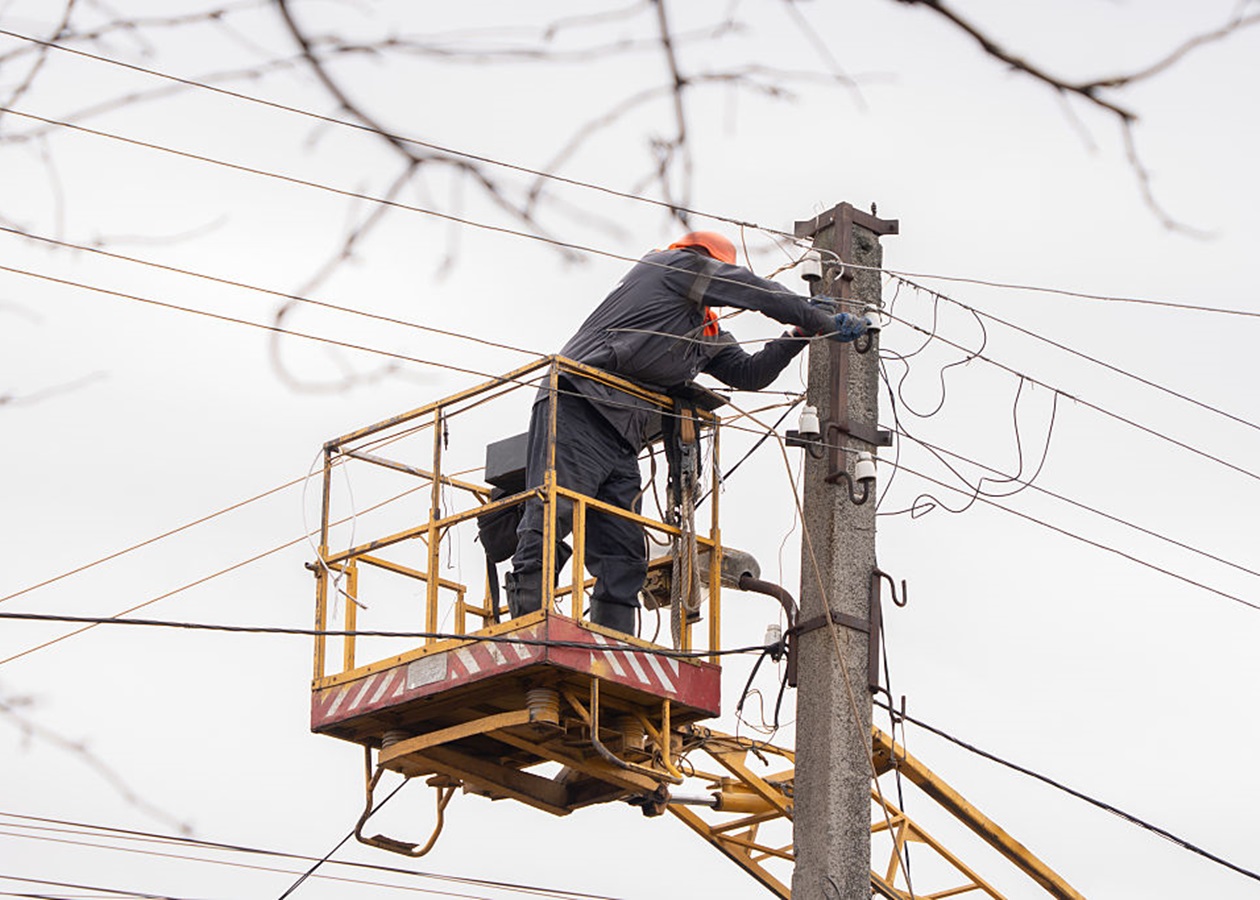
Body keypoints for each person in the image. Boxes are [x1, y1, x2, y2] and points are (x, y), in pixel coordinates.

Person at [505, 231, 869, 635]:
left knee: (623, 551)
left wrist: (799, 334)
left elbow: (747, 373)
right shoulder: (671, 266)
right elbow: (754, 291)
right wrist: (812, 314)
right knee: (554, 513)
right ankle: (528, 628)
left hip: (622, 437)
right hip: (577, 403)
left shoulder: (702, 329)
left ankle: (612, 643)